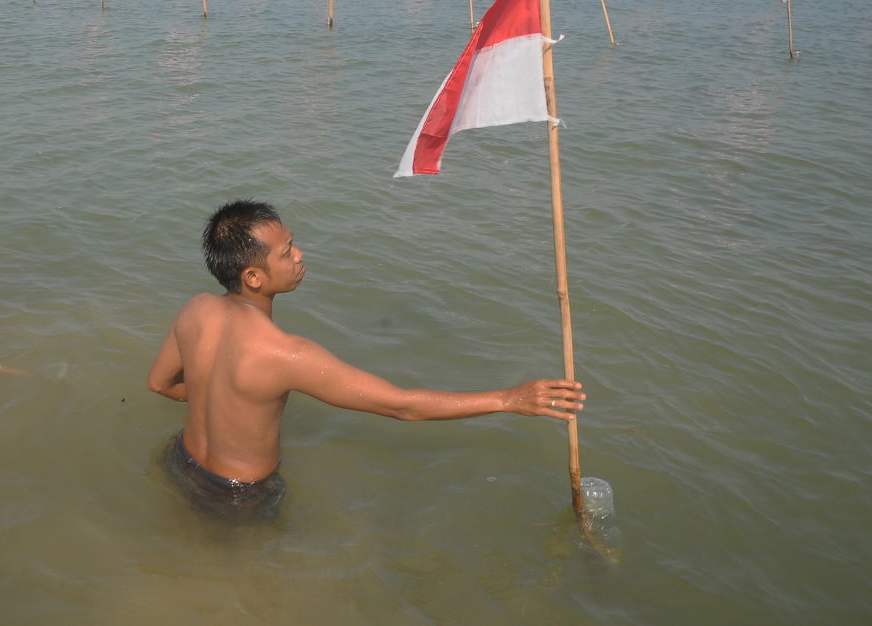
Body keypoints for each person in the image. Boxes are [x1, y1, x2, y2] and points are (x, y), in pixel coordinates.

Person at [146, 199, 585, 516]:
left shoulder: (194, 309)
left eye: (293, 243)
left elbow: (160, 384)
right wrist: (509, 400)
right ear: (254, 276)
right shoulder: (286, 353)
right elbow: (401, 405)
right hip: (239, 495)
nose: (300, 255)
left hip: (181, 462)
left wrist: (216, 400)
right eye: (286, 253)